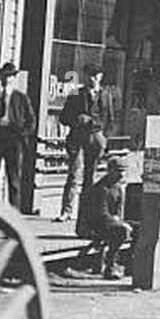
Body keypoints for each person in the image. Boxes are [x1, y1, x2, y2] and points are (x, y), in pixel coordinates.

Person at [58, 63, 115, 232]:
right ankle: (66, 211)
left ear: (101, 77)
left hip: (96, 137)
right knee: (74, 173)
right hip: (78, 136)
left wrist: (104, 138)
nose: (92, 78)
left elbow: (110, 120)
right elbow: (64, 117)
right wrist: (77, 119)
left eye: (96, 75)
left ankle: (86, 213)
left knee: (90, 177)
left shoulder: (106, 95)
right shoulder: (77, 94)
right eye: (89, 75)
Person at [0, 61, 37, 208]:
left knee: (14, 179)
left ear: (14, 78)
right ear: (0, 77)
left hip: (14, 140)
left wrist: (21, 134)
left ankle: (13, 215)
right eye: (4, 76)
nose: (6, 79)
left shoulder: (21, 98)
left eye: (10, 76)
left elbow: (31, 121)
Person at [87, 157, 134, 280]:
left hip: (113, 221)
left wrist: (122, 222)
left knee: (140, 228)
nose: (121, 174)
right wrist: (120, 223)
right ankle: (110, 266)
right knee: (120, 231)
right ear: (109, 170)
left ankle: (131, 265)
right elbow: (101, 213)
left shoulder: (118, 187)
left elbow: (119, 211)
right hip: (97, 224)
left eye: (123, 171)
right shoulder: (101, 188)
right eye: (118, 171)